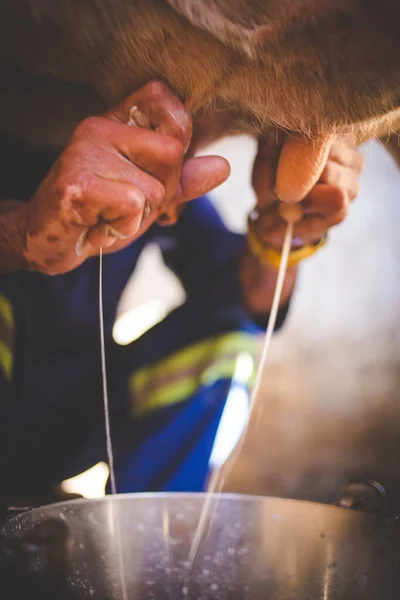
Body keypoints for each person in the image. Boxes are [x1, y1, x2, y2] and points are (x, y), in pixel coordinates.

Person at [0, 82, 364, 504]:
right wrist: (21, 233)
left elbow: (245, 300)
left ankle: (148, 545)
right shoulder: (16, 131)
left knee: (229, 346)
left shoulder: (150, 175)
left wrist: (284, 227)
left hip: (76, 421)